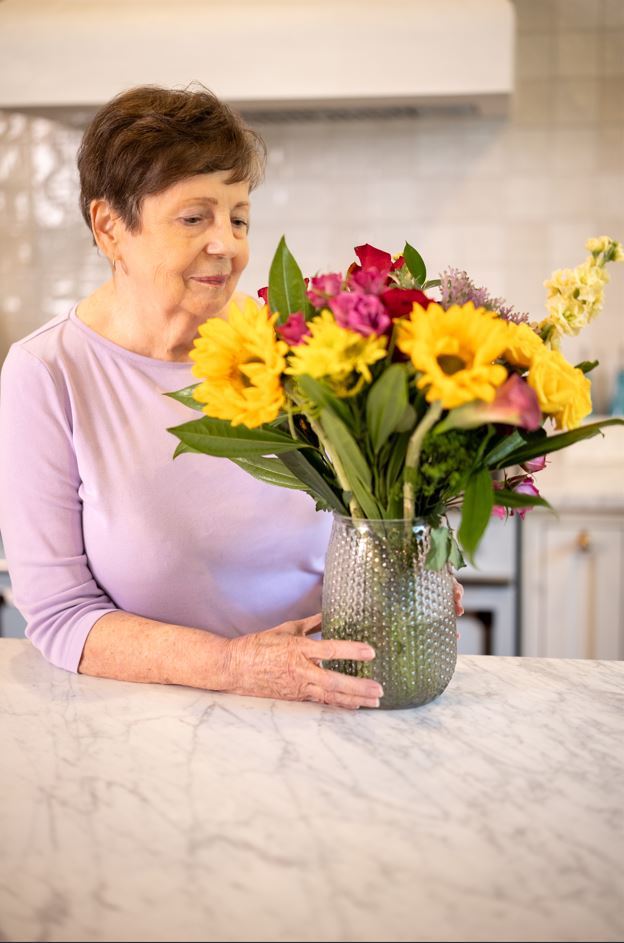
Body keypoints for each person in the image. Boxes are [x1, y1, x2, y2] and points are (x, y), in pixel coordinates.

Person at [0, 85, 462, 710]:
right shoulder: (47, 373)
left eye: (238, 217)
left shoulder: (294, 344)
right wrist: (233, 665)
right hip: (146, 720)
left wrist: (403, 576)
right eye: (195, 218)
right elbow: (59, 615)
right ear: (110, 227)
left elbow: (371, 513)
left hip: (331, 694)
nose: (229, 245)